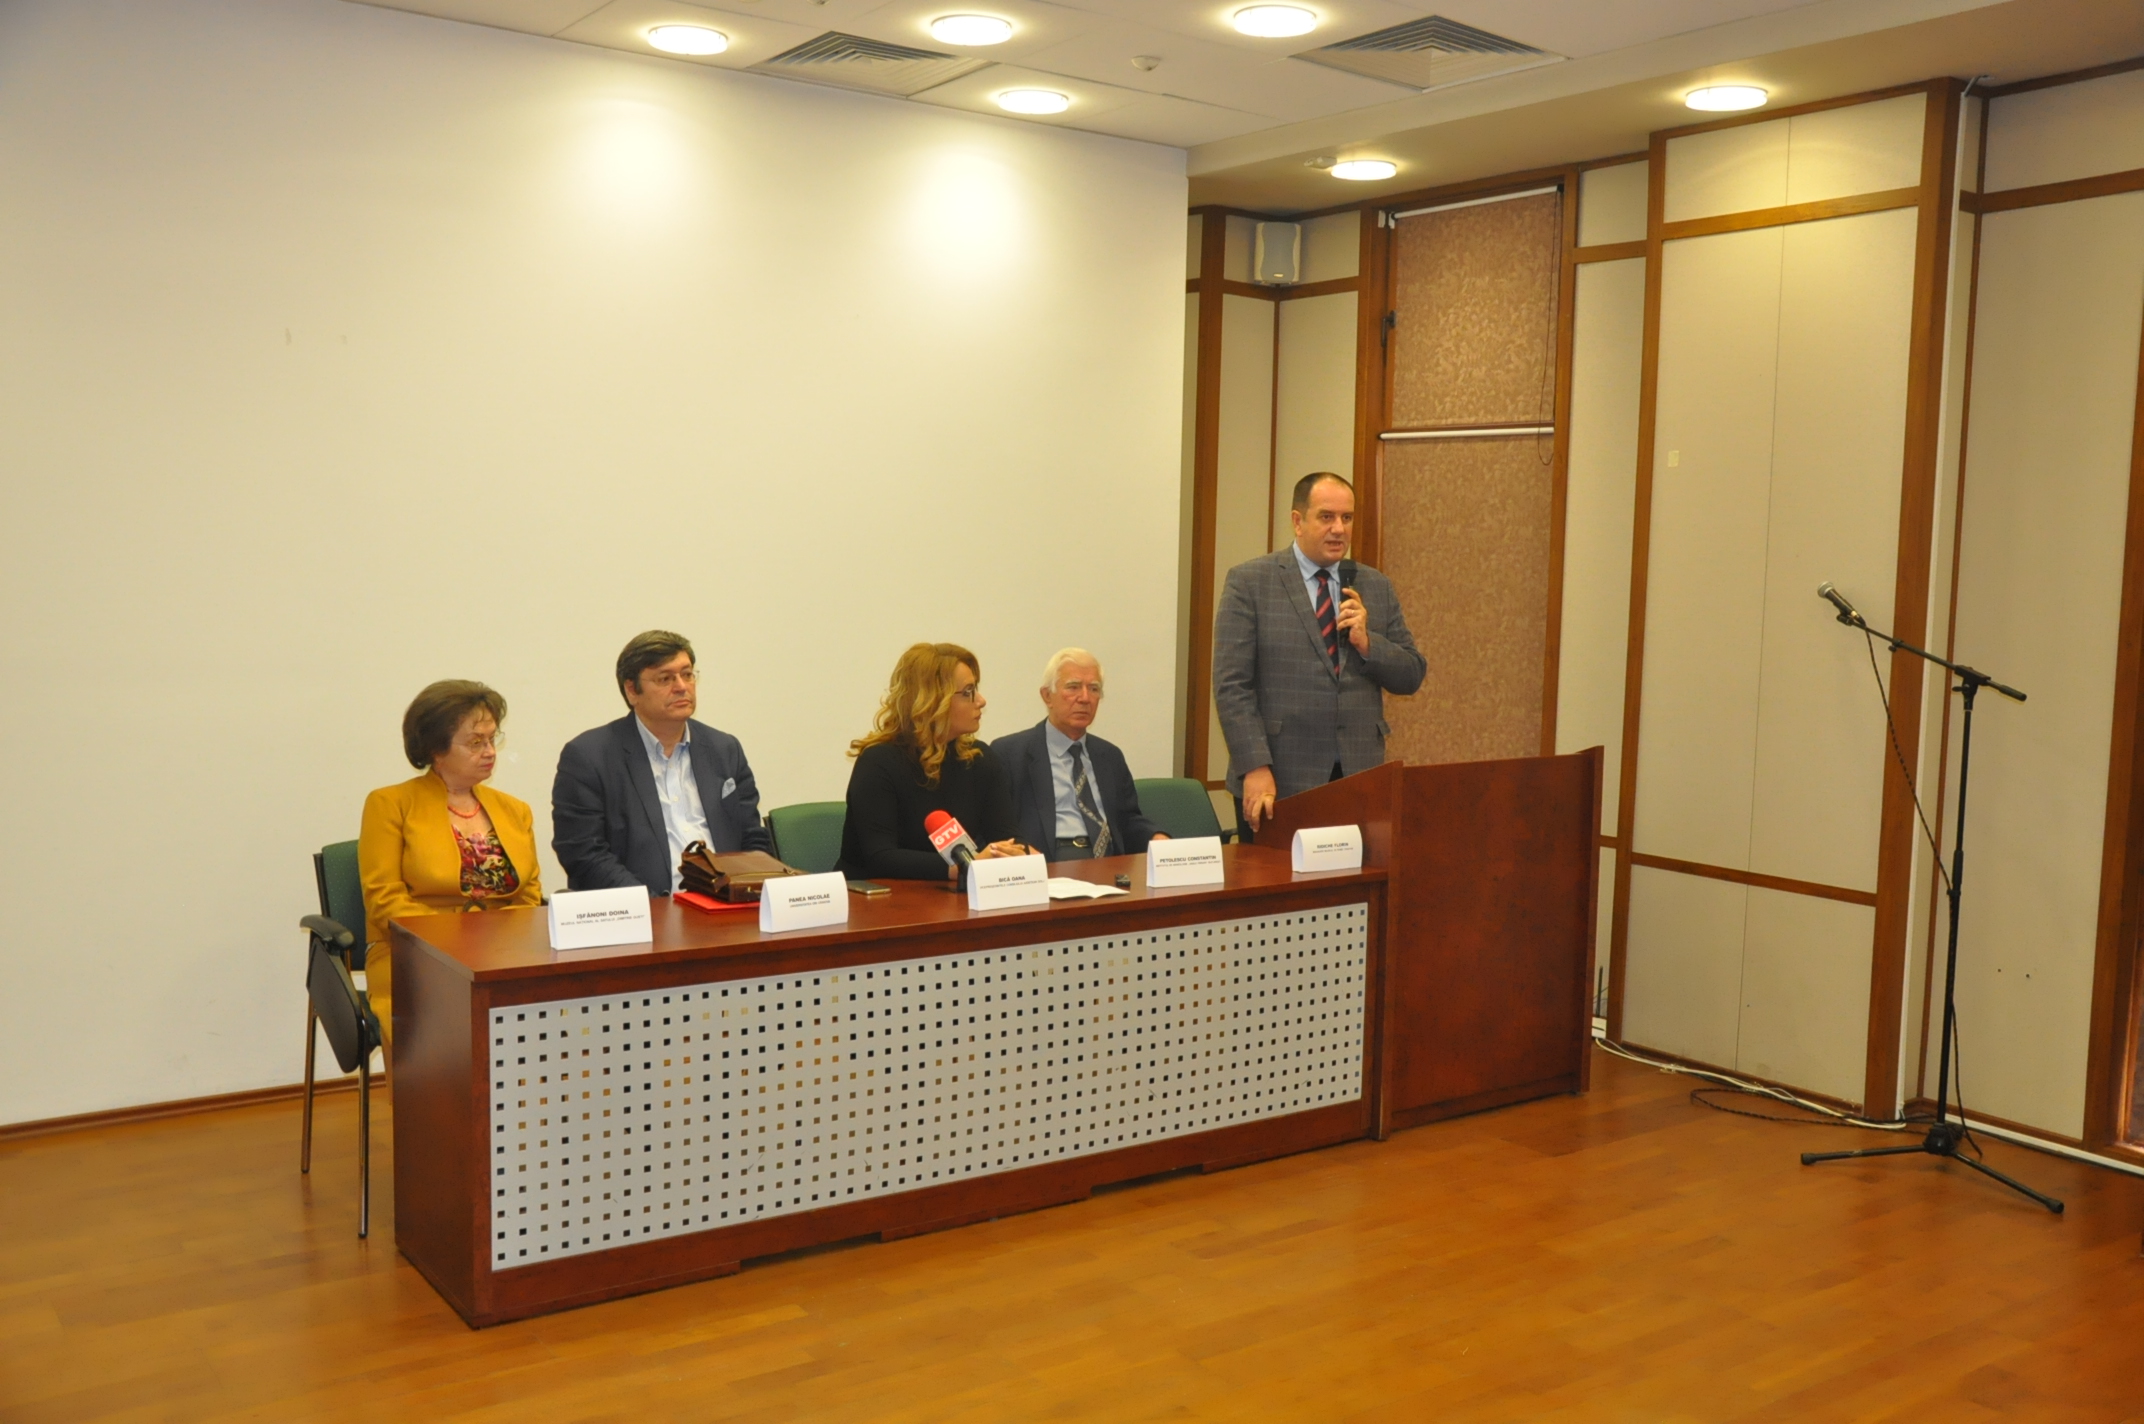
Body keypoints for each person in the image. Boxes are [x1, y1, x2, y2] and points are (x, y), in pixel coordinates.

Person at [1213, 471, 1427, 837]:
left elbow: (1411, 674)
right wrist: (1254, 765)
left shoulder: (1375, 585)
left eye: (1347, 517)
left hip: (1359, 778)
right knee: (1274, 875)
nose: (1339, 529)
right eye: (1326, 517)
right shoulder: (1251, 582)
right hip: (1280, 777)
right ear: (1298, 521)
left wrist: (1368, 643)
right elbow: (1232, 686)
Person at [358, 680, 544, 1042]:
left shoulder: (515, 810)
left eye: (492, 739)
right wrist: (459, 943)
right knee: (449, 1024)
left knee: (552, 1008)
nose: (489, 751)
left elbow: (529, 895)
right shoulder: (390, 804)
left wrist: (494, 944)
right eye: (475, 743)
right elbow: (384, 900)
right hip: (416, 955)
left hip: (503, 954)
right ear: (436, 748)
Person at [552, 630, 772, 894]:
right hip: (642, 908)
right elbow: (584, 854)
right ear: (632, 690)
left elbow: (752, 837)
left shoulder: (724, 749)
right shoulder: (589, 756)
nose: (681, 686)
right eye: (665, 678)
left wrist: (742, 891)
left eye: (687, 674)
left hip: (722, 904)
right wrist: (652, 907)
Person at [839, 642, 1031, 882]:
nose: (981, 700)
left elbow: (1007, 836)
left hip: (954, 895)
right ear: (933, 701)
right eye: (968, 692)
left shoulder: (979, 759)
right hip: (878, 896)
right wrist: (962, 868)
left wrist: (1015, 854)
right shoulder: (878, 762)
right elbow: (881, 857)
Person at [995, 647, 1168, 862]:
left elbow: (1126, 820)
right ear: (1047, 696)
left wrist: (1155, 836)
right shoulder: (1010, 754)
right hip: (1049, 863)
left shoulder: (1110, 756)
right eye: (1073, 687)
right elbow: (996, 828)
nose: (1085, 698)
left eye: (1093, 689)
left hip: (1108, 864)